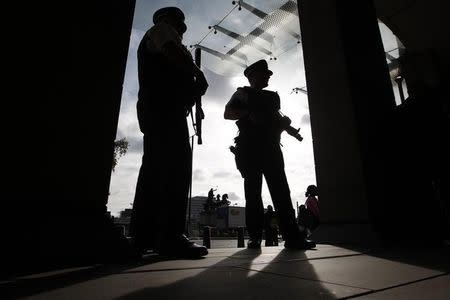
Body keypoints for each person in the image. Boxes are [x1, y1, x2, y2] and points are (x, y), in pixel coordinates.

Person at [130, 7, 209, 258]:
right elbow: (174, 54)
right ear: (167, 21)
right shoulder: (162, 30)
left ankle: (145, 236)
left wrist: (191, 93)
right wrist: (197, 73)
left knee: (156, 170)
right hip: (163, 110)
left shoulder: (166, 39)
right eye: (178, 26)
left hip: (164, 110)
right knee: (176, 170)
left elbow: (175, 74)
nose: (180, 33)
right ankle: (170, 237)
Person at [224, 59, 315, 249]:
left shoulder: (273, 98)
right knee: (253, 193)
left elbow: (276, 118)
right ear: (252, 76)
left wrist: (285, 127)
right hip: (250, 149)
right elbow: (228, 112)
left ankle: (292, 236)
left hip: (271, 148)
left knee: (281, 191)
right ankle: (255, 237)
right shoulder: (242, 93)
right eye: (264, 73)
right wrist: (249, 113)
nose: (268, 76)